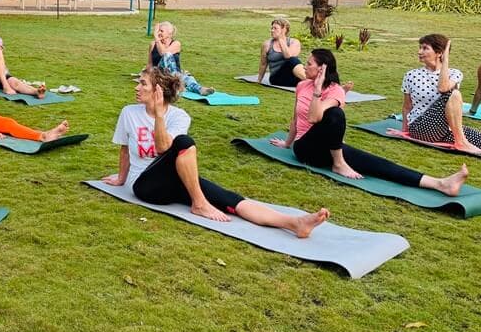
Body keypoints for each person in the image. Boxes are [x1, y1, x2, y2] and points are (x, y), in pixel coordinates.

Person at [104, 67, 328, 237]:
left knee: (229, 199)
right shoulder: (129, 112)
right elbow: (127, 149)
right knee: (183, 142)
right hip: (144, 185)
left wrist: (160, 115)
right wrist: (121, 178)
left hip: (176, 179)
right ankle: (199, 204)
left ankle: (295, 223)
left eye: (143, 84)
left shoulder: (179, 116)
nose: (136, 87)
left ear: (158, 91)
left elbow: (166, 149)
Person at [272, 49, 469, 195]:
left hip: (329, 148)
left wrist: (318, 89)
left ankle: (440, 183)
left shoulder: (336, 91)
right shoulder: (302, 86)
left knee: (377, 164)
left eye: (309, 64)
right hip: (305, 148)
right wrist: (287, 143)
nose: (305, 67)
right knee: (335, 115)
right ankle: (339, 163)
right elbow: (299, 118)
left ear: (322, 69)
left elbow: (317, 117)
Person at [403, 34, 481, 157]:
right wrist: (404, 131)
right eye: (420, 48)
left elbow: (443, 86)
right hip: (420, 128)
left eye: (425, 48)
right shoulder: (411, 75)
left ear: (439, 53)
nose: (419, 52)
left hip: (446, 129)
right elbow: (408, 106)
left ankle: (461, 139)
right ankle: (461, 142)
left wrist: (444, 63)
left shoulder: (455, 73)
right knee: (453, 93)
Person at [148, 21, 214, 96]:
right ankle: (177, 84)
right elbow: (150, 64)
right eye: (158, 31)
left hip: (174, 75)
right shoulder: (153, 44)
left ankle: (201, 89)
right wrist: (146, 76)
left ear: (170, 34)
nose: (158, 33)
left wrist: (157, 39)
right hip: (160, 75)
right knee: (179, 74)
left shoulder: (176, 44)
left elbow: (163, 53)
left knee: (187, 78)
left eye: (161, 31)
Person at [253, 17, 305, 87]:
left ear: (284, 30)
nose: (272, 30)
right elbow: (263, 64)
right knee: (292, 60)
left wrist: (280, 39)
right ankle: (310, 82)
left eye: (275, 28)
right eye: (272, 28)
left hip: (293, 76)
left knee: (293, 60)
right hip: (276, 78)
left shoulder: (294, 42)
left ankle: (312, 83)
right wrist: (259, 80)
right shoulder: (267, 44)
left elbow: (288, 55)